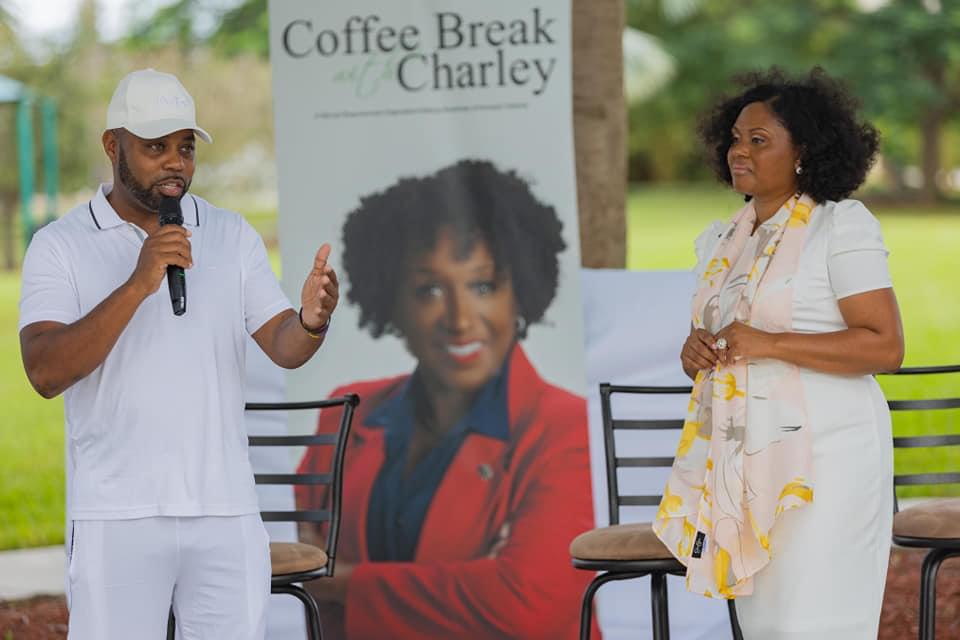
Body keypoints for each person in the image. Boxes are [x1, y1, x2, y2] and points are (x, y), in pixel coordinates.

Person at [18, 68, 340, 640]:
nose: (175, 162)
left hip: (225, 509)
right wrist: (139, 281)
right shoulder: (59, 245)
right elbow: (44, 370)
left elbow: (283, 345)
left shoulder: (230, 234)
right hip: (117, 514)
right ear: (113, 146)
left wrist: (312, 321)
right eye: (155, 147)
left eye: (185, 148)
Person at [295, 159, 596, 639]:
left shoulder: (562, 425)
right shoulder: (346, 414)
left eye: (483, 285)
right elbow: (310, 587)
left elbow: (529, 605)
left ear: (521, 291)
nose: (459, 318)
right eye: (429, 289)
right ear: (391, 298)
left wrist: (346, 582)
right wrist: (473, 585)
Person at [653, 67, 904, 639]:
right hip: (744, 463)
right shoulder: (722, 241)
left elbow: (885, 345)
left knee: (814, 622)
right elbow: (720, 341)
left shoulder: (839, 228)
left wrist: (769, 344)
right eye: (736, 138)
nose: (739, 151)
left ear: (804, 153)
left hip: (827, 458)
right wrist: (694, 354)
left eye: (758, 140)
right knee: (768, 627)